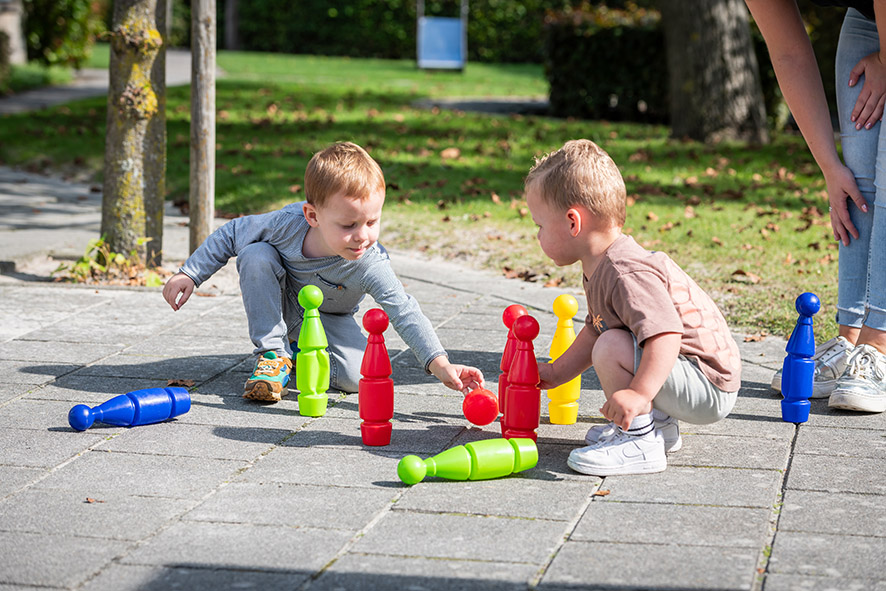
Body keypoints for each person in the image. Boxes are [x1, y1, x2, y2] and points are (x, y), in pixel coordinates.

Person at [162, 141, 484, 401]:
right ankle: (273, 356)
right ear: (312, 216)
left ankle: (299, 358)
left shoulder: (370, 261)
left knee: (359, 379)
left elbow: (404, 311)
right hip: (281, 301)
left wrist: (440, 364)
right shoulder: (286, 225)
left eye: (372, 222)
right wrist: (190, 273)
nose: (362, 236)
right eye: (348, 225)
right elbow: (232, 233)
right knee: (256, 254)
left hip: (329, 317)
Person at [526, 140, 742, 476]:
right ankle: (660, 427)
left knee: (611, 346)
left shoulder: (625, 272)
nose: (537, 235)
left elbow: (667, 335)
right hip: (690, 373)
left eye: (539, 225)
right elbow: (596, 326)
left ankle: (639, 442)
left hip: (707, 384)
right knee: (608, 338)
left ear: (572, 222)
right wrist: (556, 373)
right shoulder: (600, 264)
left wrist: (640, 394)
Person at [748, 0, 886, 413]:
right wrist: (829, 167)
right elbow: (788, 52)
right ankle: (851, 339)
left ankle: (879, 344)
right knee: (857, 182)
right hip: (866, 20)